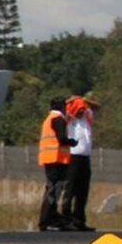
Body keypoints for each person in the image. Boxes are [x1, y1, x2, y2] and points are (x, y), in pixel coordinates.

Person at [37, 97, 77, 231]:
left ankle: (51, 218)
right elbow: (61, 138)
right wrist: (72, 142)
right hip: (56, 159)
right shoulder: (58, 119)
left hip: (50, 158)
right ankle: (48, 219)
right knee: (54, 190)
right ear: (62, 107)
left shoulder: (49, 118)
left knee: (53, 189)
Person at [60, 95, 97, 231]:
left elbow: (97, 106)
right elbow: (62, 107)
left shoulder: (87, 119)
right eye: (79, 109)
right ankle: (66, 219)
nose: (81, 111)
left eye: (83, 109)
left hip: (85, 157)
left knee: (83, 191)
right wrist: (70, 100)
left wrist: (84, 100)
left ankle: (79, 220)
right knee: (70, 190)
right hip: (73, 157)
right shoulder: (69, 119)